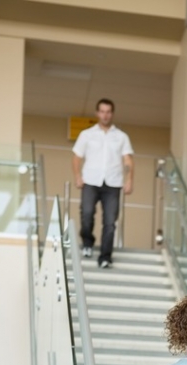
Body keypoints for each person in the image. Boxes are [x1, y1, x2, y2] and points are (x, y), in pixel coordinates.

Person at [72, 98, 134, 268]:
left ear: (112, 114)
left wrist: (129, 180)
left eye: (108, 112)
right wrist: (77, 176)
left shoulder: (121, 137)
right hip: (90, 181)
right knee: (86, 213)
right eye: (102, 111)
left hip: (113, 184)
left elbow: (128, 160)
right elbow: (77, 157)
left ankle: (105, 257)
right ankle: (87, 242)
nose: (105, 115)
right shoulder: (87, 134)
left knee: (110, 222)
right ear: (97, 113)